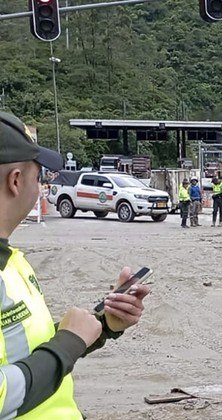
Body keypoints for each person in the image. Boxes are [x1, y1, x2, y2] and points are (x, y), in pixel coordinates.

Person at [0, 111, 150, 418]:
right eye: (39, 176)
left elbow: (29, 355)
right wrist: (69, 342)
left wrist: (103, 325)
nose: (41, 187)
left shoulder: (12, 262)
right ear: (16, 181)